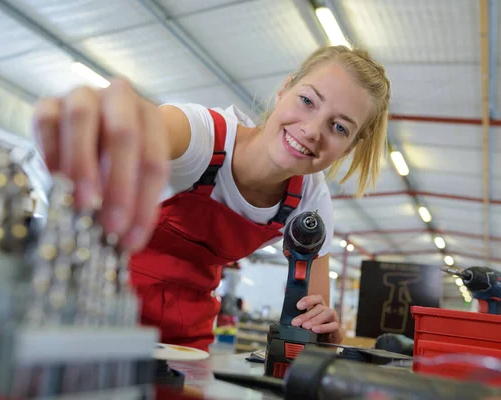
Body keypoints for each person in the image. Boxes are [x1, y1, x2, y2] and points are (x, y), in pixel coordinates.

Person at [33, 45, 391, 351]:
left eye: (339, 127)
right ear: (284, 90)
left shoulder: (310, 202)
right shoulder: (203, 137)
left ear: (349, 148)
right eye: (307, 100)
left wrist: (321, 328)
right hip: (95, 316)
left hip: (186, 344)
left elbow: (311, 312)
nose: (313, 131)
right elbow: (153, 128)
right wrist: (110, 121)